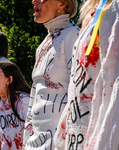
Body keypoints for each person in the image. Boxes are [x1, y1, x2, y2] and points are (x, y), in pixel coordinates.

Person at [54, 0, 119, 149]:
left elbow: (114, 83)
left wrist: (103, 143)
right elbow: (76, 84)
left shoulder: (115, 11)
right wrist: (62, 134)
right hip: (77, 134)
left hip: (98, 136)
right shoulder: (94, 16)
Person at [22, 0, 80, 149]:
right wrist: (26, 140)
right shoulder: (42, 45)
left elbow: (79, 93)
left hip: (60, 141)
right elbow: (34, 96)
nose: (34, 1)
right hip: (35, 142)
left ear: (61, 4)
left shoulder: (73, 34)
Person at [0, 61, 30, 150]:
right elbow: (5, 142)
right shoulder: (0, 107)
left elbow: (32, 135)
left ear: (9, 80)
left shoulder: (24, 101)